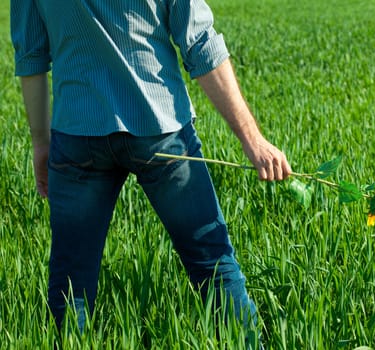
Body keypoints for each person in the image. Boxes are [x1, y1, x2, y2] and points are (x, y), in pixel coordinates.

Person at [11, 0, 292, 338]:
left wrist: (41, 143)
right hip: (160, 132)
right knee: (213, 265)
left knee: (70, 283)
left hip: (77, 136)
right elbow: (199, 41)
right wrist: (253, 140)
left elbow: (31, 58)